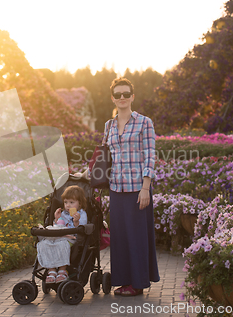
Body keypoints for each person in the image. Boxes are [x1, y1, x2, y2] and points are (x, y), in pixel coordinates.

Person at [82, 77, 160, 296]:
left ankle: (137, 283)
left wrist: (146, 187)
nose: (123, 98)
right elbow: (104, 156)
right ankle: (124, 280)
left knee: (136, 236)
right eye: (118, 95)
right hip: (116, 188)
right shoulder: (109, 125)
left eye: (126, 94)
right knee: (121, 237)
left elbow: (150, 156)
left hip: (137, 189)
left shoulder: (145, 122)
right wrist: (85, 174)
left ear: (132, 97)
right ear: (113, 98)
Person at [36, 185, 88, 284]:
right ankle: (51, 271)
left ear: (80, 203)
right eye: (66, 202)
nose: (68, 205)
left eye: (71, 202)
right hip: (59, 236)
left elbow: (82, 229)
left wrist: (76, 222)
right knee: (45, 243)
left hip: (71, 238)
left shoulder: (81, 214)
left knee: (62, 244)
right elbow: (58, 227)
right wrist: (57, 219)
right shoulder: (63, 214)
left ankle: (62, 271)